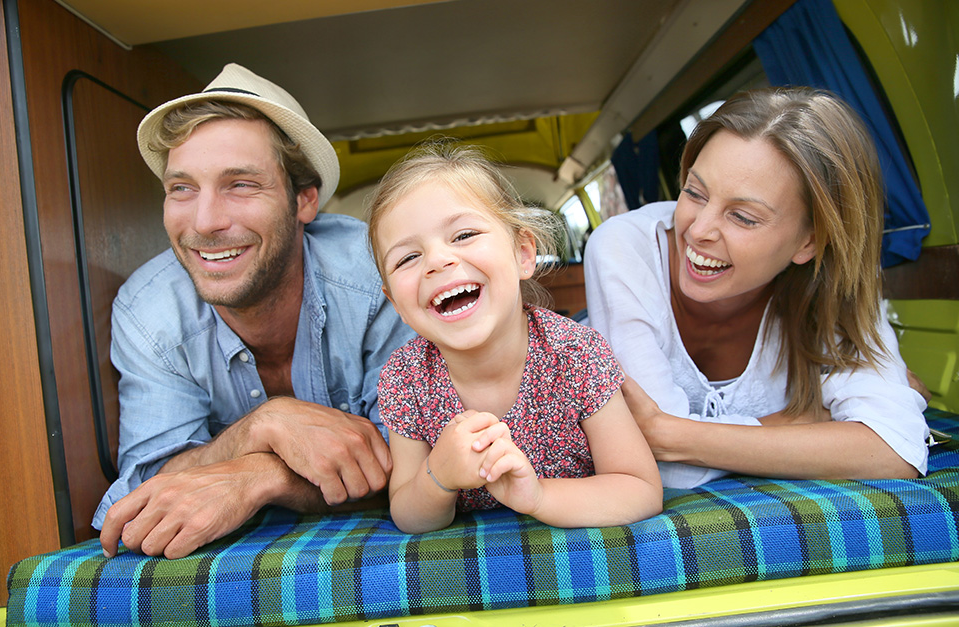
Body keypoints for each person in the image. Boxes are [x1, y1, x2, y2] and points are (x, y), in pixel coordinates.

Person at [94, 64, 415, 558]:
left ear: (304, 200)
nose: (205, 222)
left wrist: (259, 476)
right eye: (182, 188)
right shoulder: (148, 312)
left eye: (240, 184)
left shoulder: (380, 278)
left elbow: (422, 462)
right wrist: (265, 425)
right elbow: (146, 490)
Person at [585, 86, 930, 489]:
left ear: (810, 241)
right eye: (694, 193)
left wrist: (670, 435)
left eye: (743, 217)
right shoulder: (623, 248)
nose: (697, 231)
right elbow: (659, 467)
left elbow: (895, 448)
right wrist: (812, 416)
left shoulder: (837, 284)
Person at [367, 142, 662, 534]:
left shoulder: (575, 354)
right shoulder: (406, 380)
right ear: (397, 305)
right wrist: (437, 476)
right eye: (407, 258)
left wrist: (538, 497)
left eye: (464, 234)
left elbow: (639, 489)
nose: (438, 261)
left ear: (523, 253)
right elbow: (407, 513)